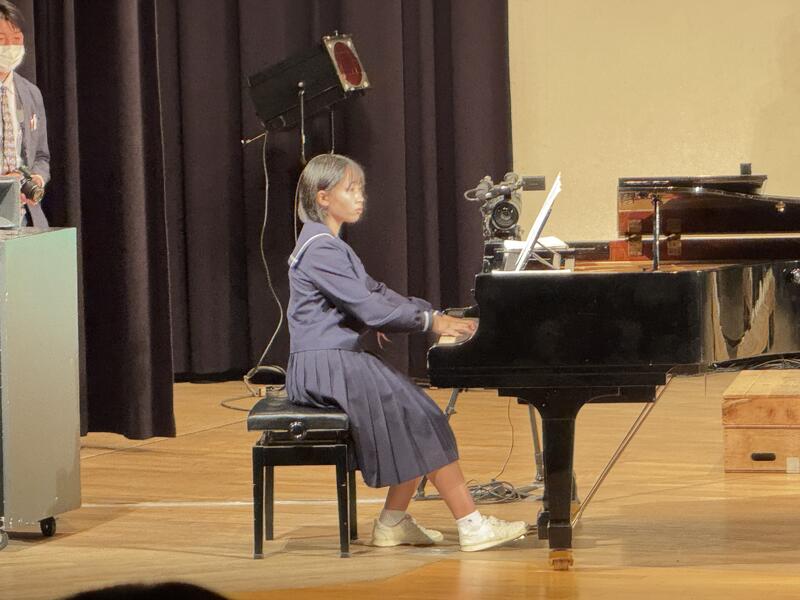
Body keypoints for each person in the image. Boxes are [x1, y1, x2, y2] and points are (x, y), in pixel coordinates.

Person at [286, 153, 528, 552]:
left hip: (330, 359)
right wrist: (429, 321)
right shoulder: (321, 249)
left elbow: (374, 293)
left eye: (361, 189)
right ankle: (471, 525)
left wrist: (428, 312)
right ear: (323, 197)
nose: (360, 197)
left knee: (414, 413)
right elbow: (369, 307)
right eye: (351, 189)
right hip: (326, 364)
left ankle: (393, 522)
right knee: (423, 415)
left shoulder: (326, 244)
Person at [0, 0, 49, 227]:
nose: (10, 46)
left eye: (17, 39)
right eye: (2, 39)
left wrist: (36, 178)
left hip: (25, 218)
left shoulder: (31, 93)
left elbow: (41, 157)